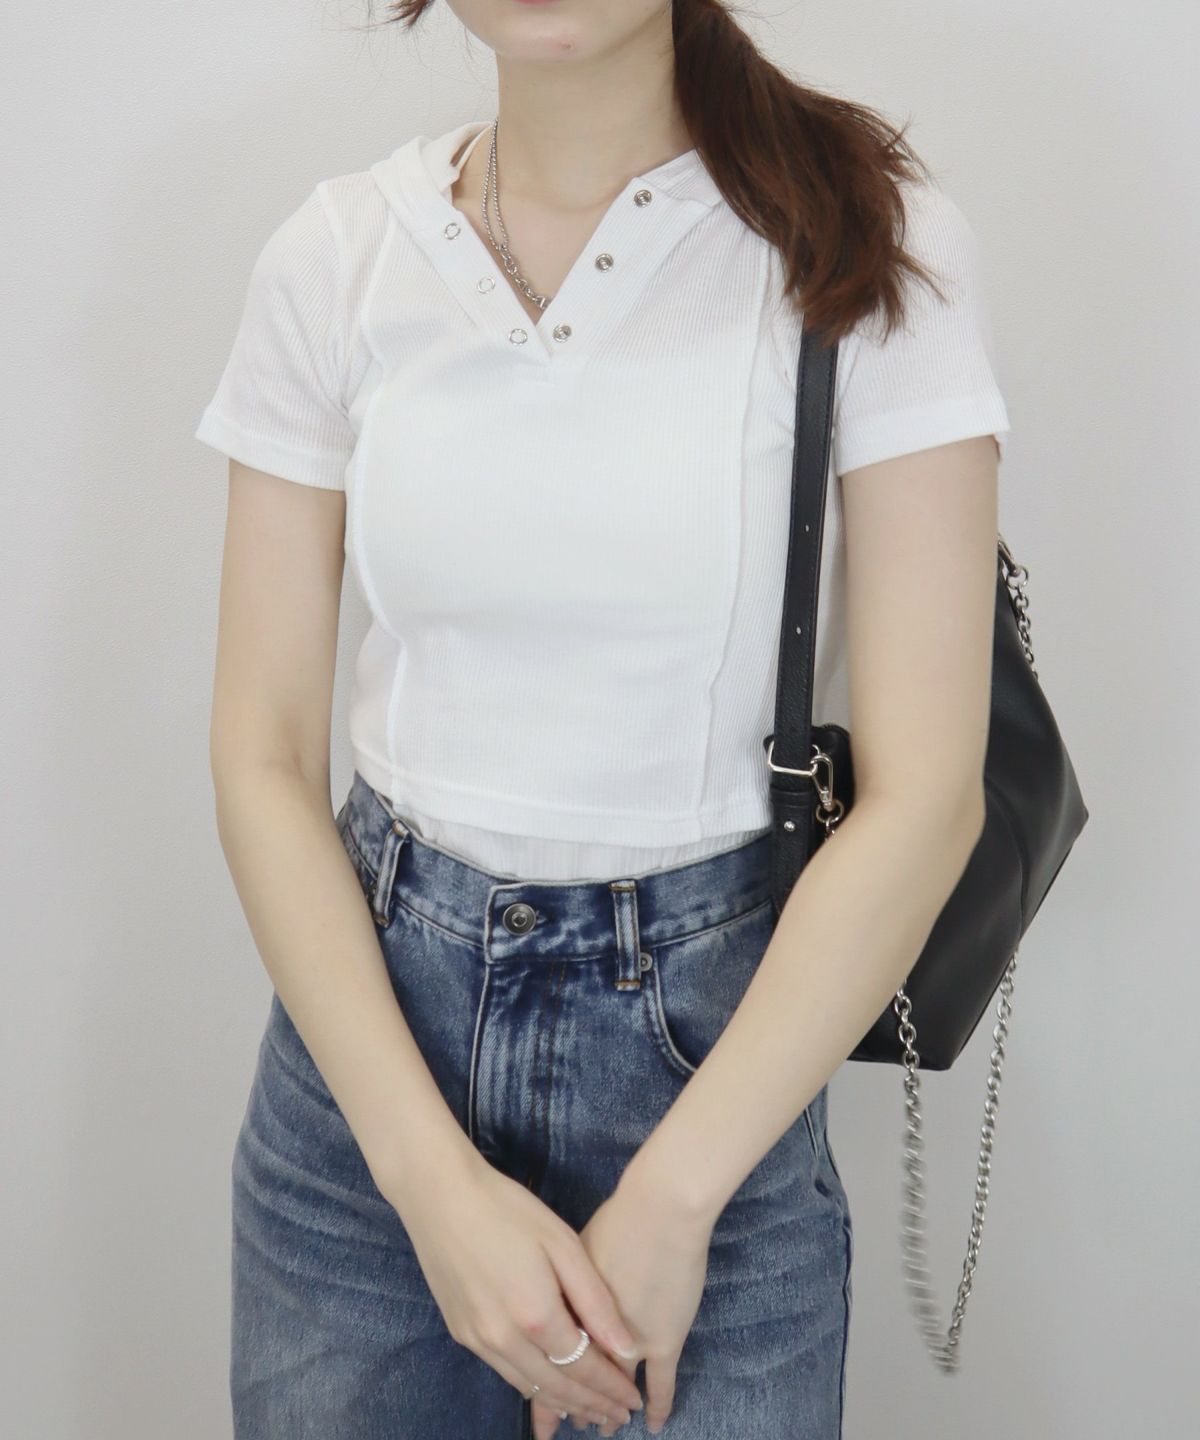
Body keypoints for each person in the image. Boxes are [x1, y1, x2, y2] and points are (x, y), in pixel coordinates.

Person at [194, 2, 1010, 1436]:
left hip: (720, 1077)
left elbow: (929, 793)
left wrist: (677, 1197)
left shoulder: (860, 233)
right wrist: (428, 1185)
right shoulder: (337, 255)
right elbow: (262, 754)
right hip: (370, 1090)